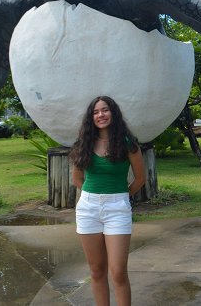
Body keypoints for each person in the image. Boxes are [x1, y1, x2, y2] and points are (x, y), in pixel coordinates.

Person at [70, 96, 146, 306]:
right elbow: (77, 179)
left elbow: (140, 179)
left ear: (113, 113)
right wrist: (95, 194)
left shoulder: (128, 144)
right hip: (88, 209)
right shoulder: (83, 144)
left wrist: (121, 196)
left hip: (117, 209)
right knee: (96, 271)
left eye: (105, 110)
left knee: (118, 272)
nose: (100, 115)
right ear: (91, 117)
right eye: (95, 112)